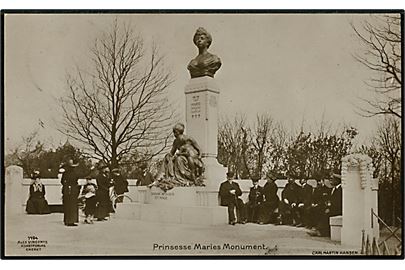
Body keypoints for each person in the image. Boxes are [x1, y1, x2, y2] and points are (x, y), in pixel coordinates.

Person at [61, 159, 80, 226]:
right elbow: (77, 179)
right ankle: (71, 221)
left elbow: (62, 181)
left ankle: (67, 220)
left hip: (67, 191)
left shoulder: (65, 173)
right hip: (72, 191)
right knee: (72, 206)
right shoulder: (74, 173)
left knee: (67, 206)